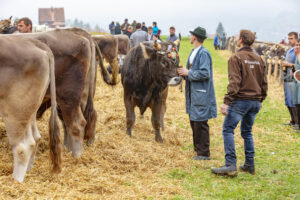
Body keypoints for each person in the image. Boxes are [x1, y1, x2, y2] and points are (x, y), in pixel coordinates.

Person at [211, 30, 268, 176]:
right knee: (247, 132)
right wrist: (260, 99)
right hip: (255, 101)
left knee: (228, 129)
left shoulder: (235, 58)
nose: (237, 38)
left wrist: (226, 102)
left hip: (241, 100)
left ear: (241, 40)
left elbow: (235, 82)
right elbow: (264, 83)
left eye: (238, 37)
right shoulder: (259, 58)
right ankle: (250, 164)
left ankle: (230, 165)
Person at [177, 26, 217, 161]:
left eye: (191, 35)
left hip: (201, 93)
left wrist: (189, 73)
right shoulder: (194, 52)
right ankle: (197, 148)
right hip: (193, 92)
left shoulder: (203, 53)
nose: (190, 37)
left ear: (194, 37)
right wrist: (184, 73)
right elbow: (192, 71)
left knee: (201, 122)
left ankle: (204, 153)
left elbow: (205, 73)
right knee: (194, 120)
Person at [281, 32, 298, 128]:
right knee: (287, 99)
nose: (289, 40)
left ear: (296, 39)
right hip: (287, 77)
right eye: (288, 38)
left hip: (293, 78)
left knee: (293, 100)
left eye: (291, 38)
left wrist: (287, 64)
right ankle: (292, 120)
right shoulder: (290, 50)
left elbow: (297, 65)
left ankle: (297, 122)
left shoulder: (297, 51)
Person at [292, 39, 300, 133]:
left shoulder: (298, 55)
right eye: (297, 44)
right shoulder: (297, 55)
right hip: (297, 83)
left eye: (299, 45)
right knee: (297, 103)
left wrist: (298, 55)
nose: (297, 46)